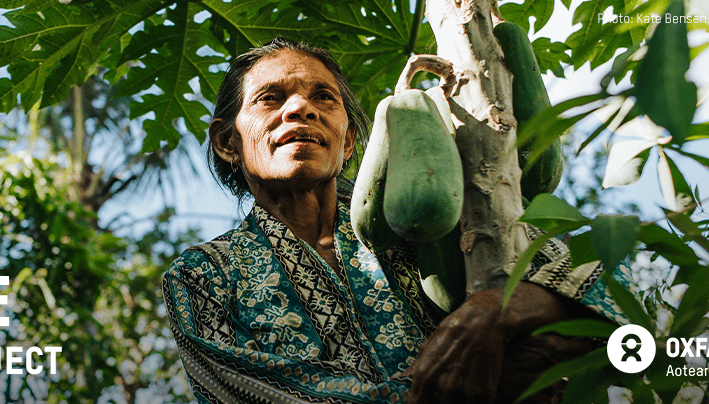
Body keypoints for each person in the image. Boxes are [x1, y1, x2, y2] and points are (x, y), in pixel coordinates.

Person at [162, 37, 629, 403]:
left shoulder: (440, 212)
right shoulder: (202, 276)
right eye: (270, 98)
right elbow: (252, 394)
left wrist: (496, 311)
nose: (301, 108)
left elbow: (617, 285)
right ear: (227, 143)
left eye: (324, 97)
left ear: (347, 144)